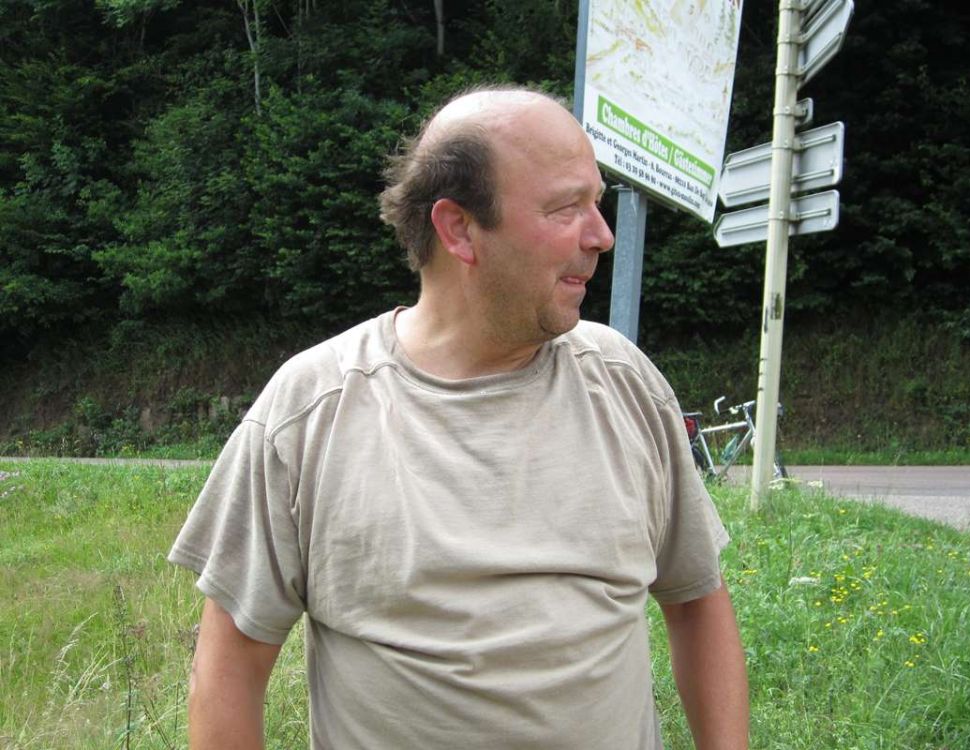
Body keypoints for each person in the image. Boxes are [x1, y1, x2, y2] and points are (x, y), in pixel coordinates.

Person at [168, 83, 749, 750]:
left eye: (597, 202)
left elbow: (696, 601)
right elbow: (229, 669)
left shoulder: (625, 384)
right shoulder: (312, 411)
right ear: (459, 229)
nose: (602, 234)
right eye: (566, 208)